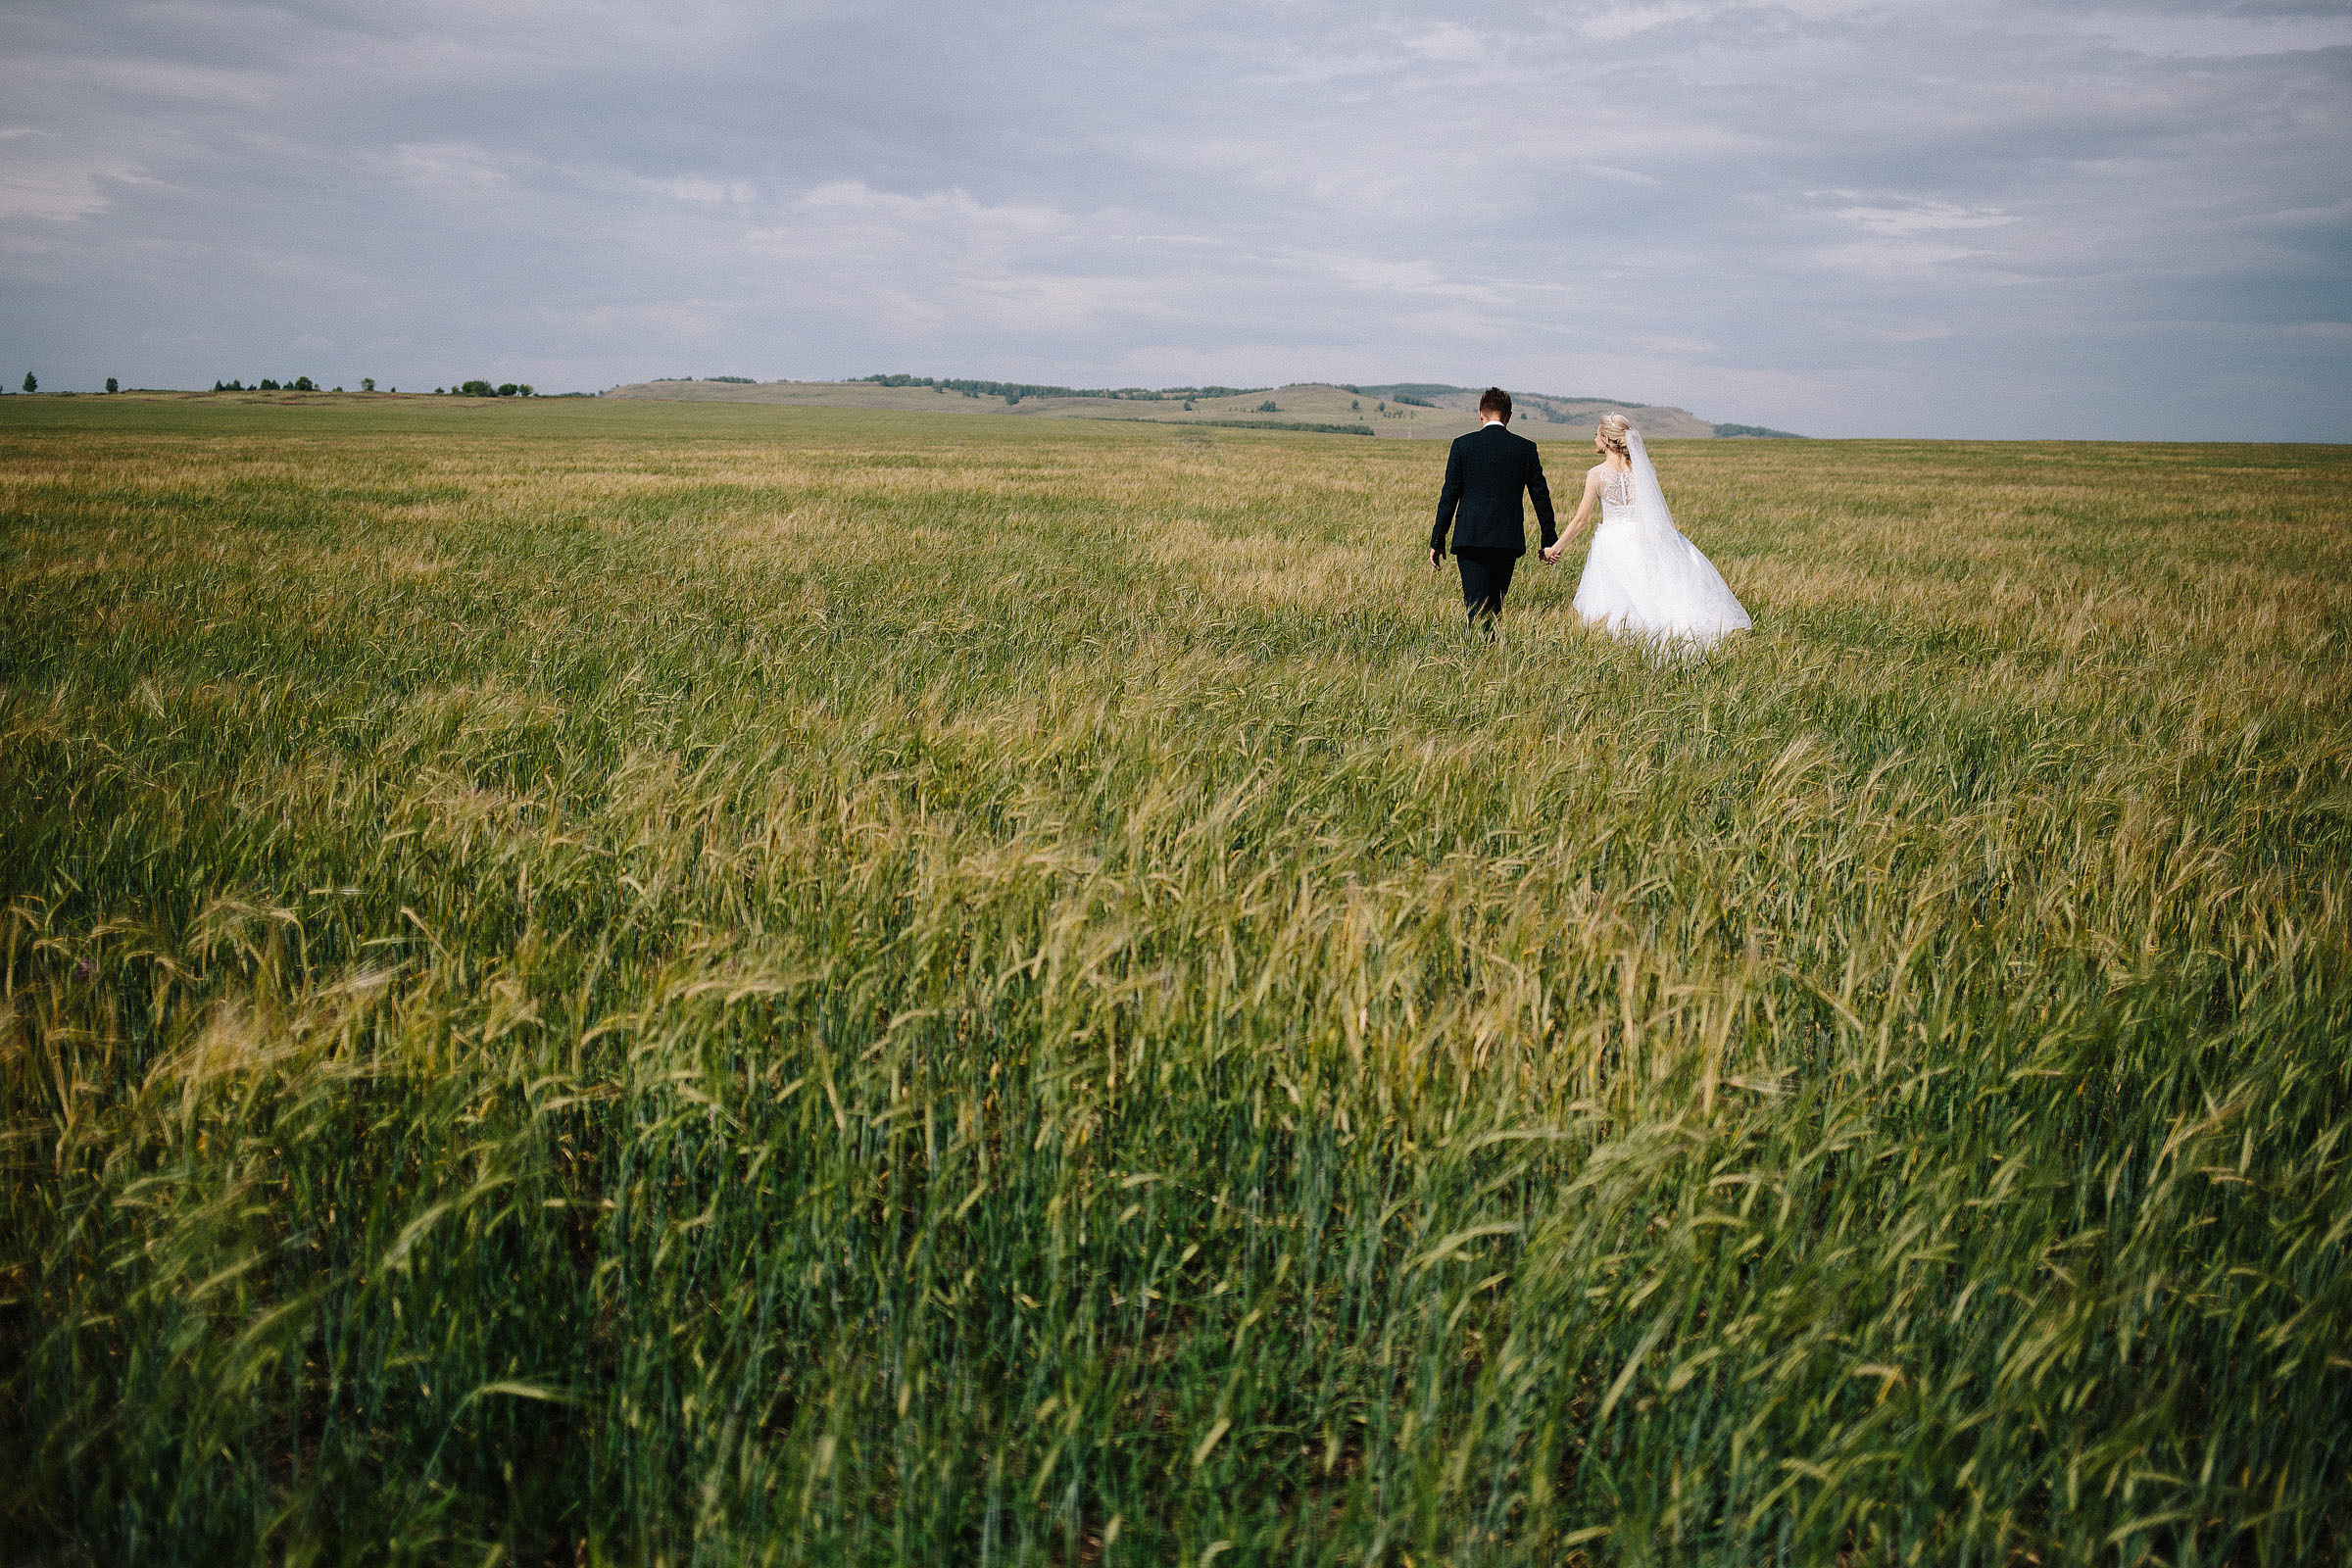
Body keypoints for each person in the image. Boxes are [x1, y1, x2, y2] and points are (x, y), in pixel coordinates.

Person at [1544, 414, 1750, 653]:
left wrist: (1554, 549)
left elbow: (1580, 520)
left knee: (1620, 598)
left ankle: (1632, 646)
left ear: (1608, 440)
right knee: (1653, 588)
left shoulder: (1596, 475)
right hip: (1646, 536)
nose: (1594, 439)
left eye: (1597, 434)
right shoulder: (1642, 470)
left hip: (1613, 541)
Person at [1429, 387, 1555, 631]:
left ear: (1480, 414)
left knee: (1474, 606)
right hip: (1506, 539)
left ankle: (1476, 657)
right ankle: (1490, 656)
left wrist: (1438, 539)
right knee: (1496, 606)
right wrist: (1548, 539)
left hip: (1470, 537)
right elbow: (1541, 497)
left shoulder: (1462, 445)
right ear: (1508, 417)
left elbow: (1449, 496)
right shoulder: (1525, 448)